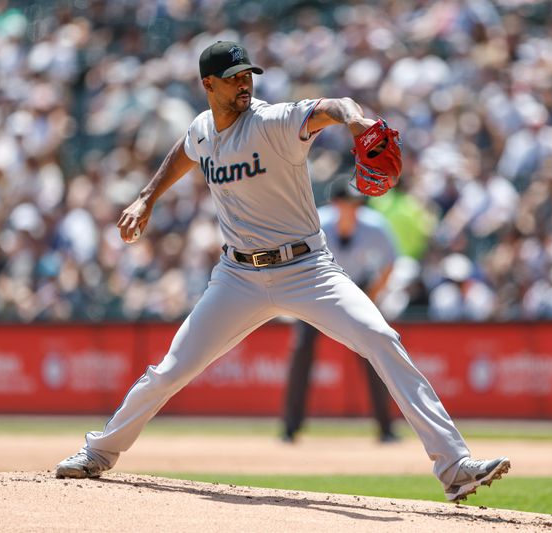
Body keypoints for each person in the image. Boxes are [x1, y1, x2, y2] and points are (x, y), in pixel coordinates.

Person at [55, 41, 510, 503]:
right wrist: (147, 197)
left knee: (381, 338)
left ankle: (453, 465)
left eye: (247, 75)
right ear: (207, 85)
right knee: (171, 369)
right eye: (233, 77)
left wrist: (357, 121)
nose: (244, 83)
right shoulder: (202, 130)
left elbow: (332, 106)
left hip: (307, 268)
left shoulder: (273, 121)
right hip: (237, 278)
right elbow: (187, 148)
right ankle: (100, 451)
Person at [282, 179, 399, 444]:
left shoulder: (374, 225)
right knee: (301, 349)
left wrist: (369, 297)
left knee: (376, 350)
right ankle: (290, 428)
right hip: (316, 290)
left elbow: (390, 264)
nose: (353, 208)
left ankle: (386, 429)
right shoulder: (317, 222)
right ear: (335, 203)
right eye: (348, 203)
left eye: (357, 203)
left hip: (356, 288)